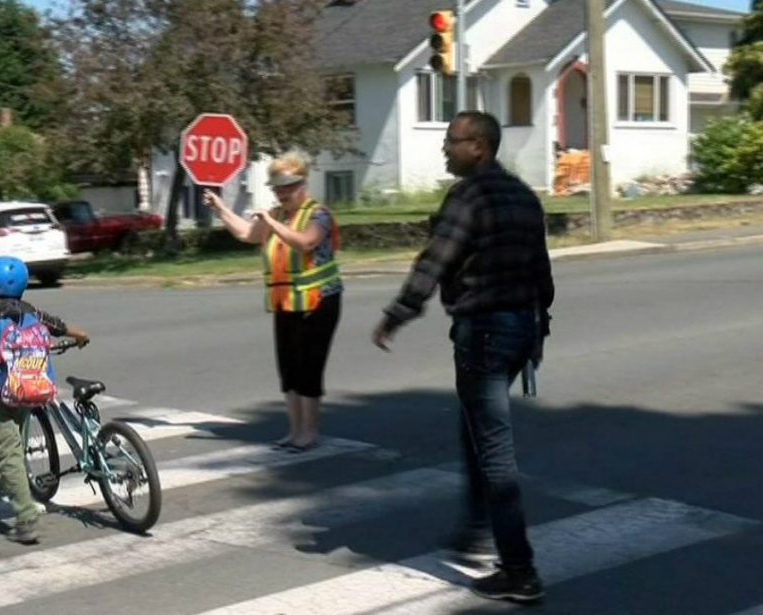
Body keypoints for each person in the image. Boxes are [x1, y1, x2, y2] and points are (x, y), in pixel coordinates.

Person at [371, 111, 553, 603]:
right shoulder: (523, 196)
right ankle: (475, 529)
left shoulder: (468, 196)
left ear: (480, 146)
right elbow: (541, 269)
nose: (445, 149)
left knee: (494, 449)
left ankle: (519, 570)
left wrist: (397, 314)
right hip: (519, 329)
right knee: (476, 430)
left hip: (485, 332)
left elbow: (435, 259)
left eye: (453, 141)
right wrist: (540, 328)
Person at [203, 151, 342, 452]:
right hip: (286, 302)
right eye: (277, 187)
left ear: (303, 184)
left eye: (288, 186)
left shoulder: (318, 214)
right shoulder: (276, 215)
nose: (282, 193)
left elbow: (305, 242)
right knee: (289, 368)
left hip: (319, 302)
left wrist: (270, 222)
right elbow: (246, 233)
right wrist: (221, 208)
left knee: (309, 368)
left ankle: (309, 432)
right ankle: (294, 432)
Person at [0, 256, 89, 544]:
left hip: (1, 390)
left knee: (9, 449)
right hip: (31, 387)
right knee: (10, 447)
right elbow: (57, 325)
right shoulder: (32, 313)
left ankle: (25, 517)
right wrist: (79, 335)